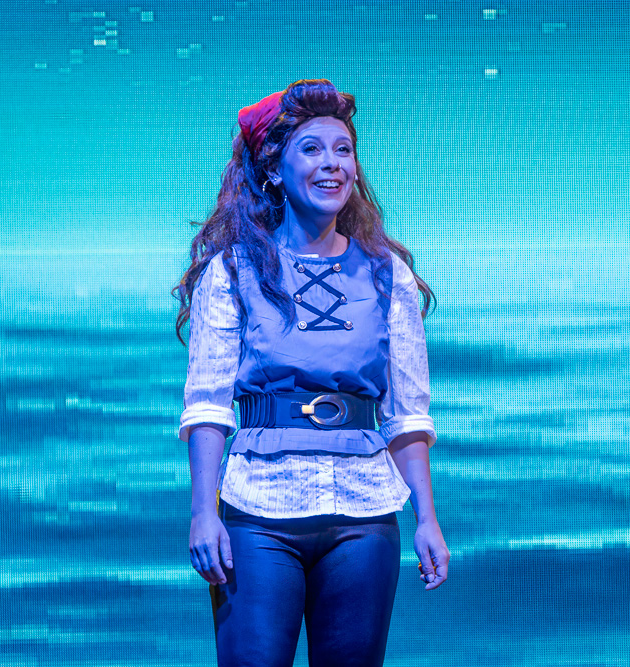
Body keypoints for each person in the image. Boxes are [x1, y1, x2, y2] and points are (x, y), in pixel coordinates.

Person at [173, 79, 449, 666]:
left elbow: (406, 414)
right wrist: (203, 512)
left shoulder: (388, 273)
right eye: (312, 149)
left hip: (364, 513)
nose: (332, 163)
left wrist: (427, 518)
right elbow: (208, 405)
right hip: (260, 511)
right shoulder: (233, 270)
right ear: (275, 170)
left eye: (343, 149)